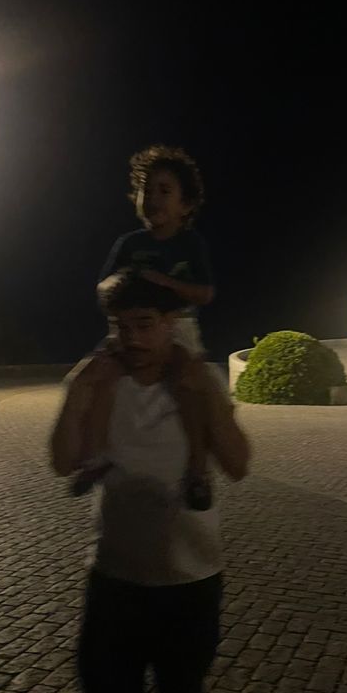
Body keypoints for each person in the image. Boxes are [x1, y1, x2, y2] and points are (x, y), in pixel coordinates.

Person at [50, 269, 250, 693]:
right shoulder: (98, 379)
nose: (132, 339)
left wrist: (208, 398)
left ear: (171, 326)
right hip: (113, 583)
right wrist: (81, 390)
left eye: (145, 325)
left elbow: (237, 464)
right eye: (121, 327)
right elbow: (64, 461)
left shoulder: (198, 381)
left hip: (191, 584)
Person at [72, 145, 216, 511]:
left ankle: (198, 472)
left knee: (189, 390)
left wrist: (160, 282)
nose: (152, 198)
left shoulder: (190, 244)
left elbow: (205, 293)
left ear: (186, 205)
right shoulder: (129, 243)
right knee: (98, 378)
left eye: (164, 190)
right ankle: (95, 456)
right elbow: (102, 287)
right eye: (145, 190)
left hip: (177, 328)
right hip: (129, 328)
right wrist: (121, 282)